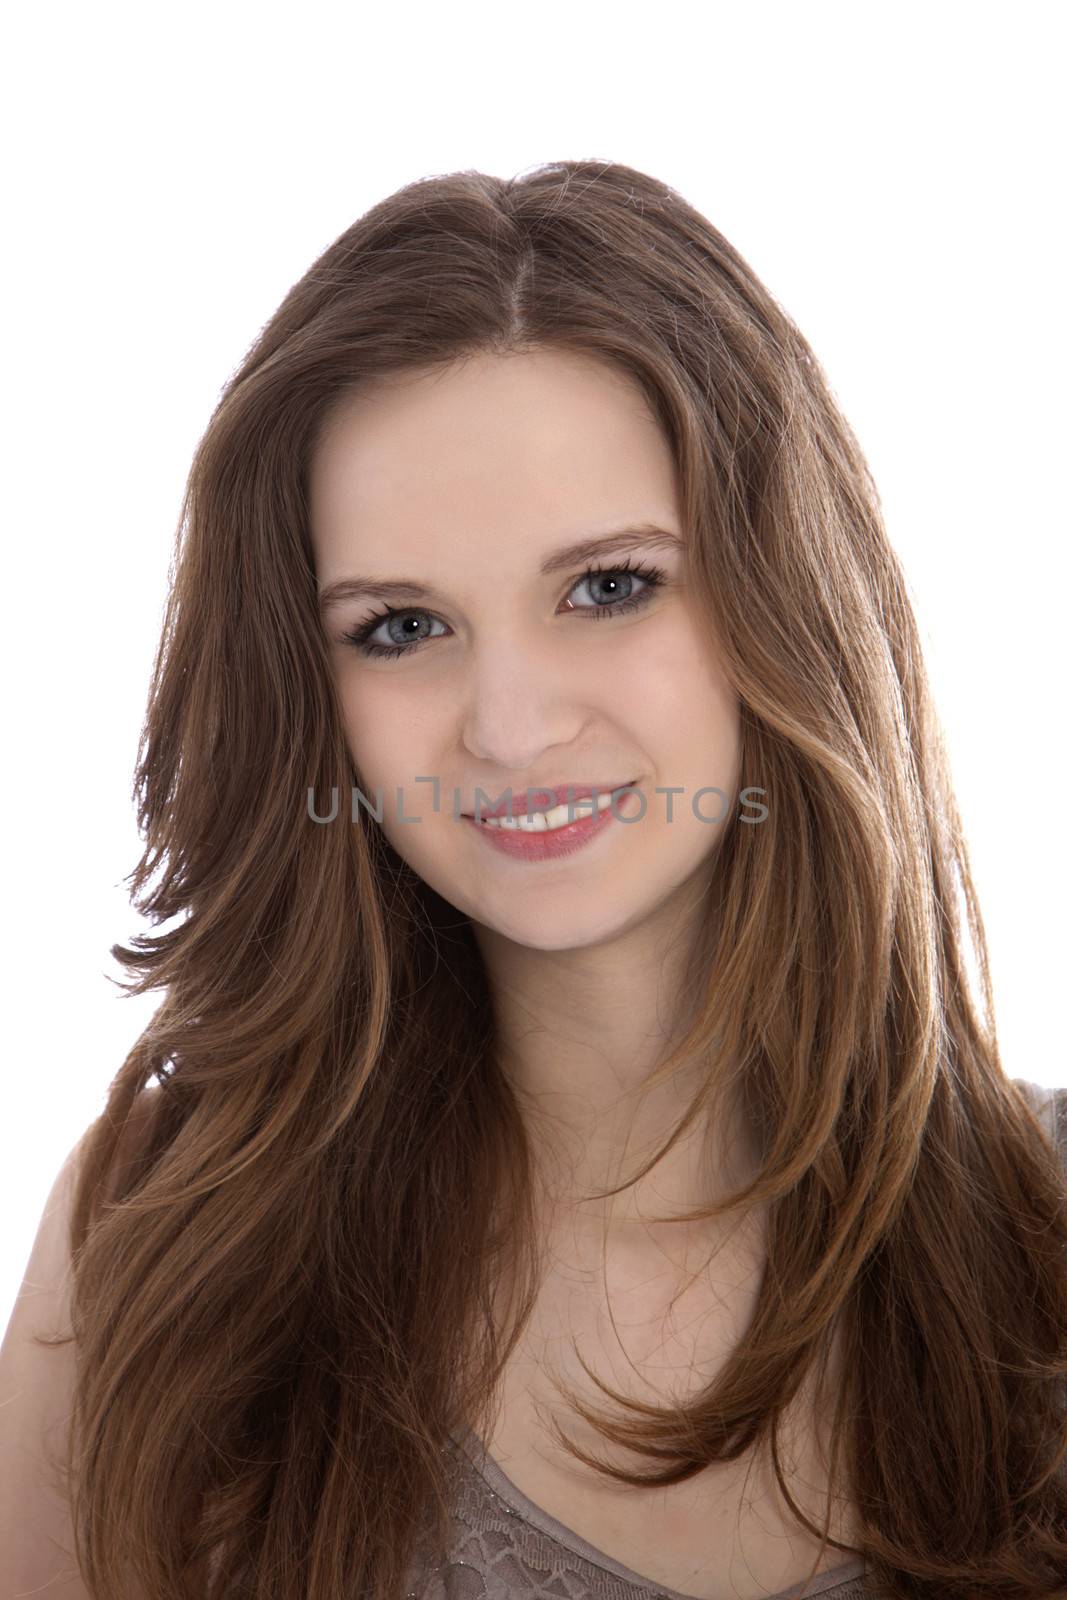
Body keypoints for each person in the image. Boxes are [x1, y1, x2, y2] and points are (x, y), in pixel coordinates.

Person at [4, 159, 1066, 1600]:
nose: (509, 725)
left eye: (609, 587)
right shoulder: (158, 1241)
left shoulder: (1045, 1238)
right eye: (397, 626)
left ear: (789, 595)